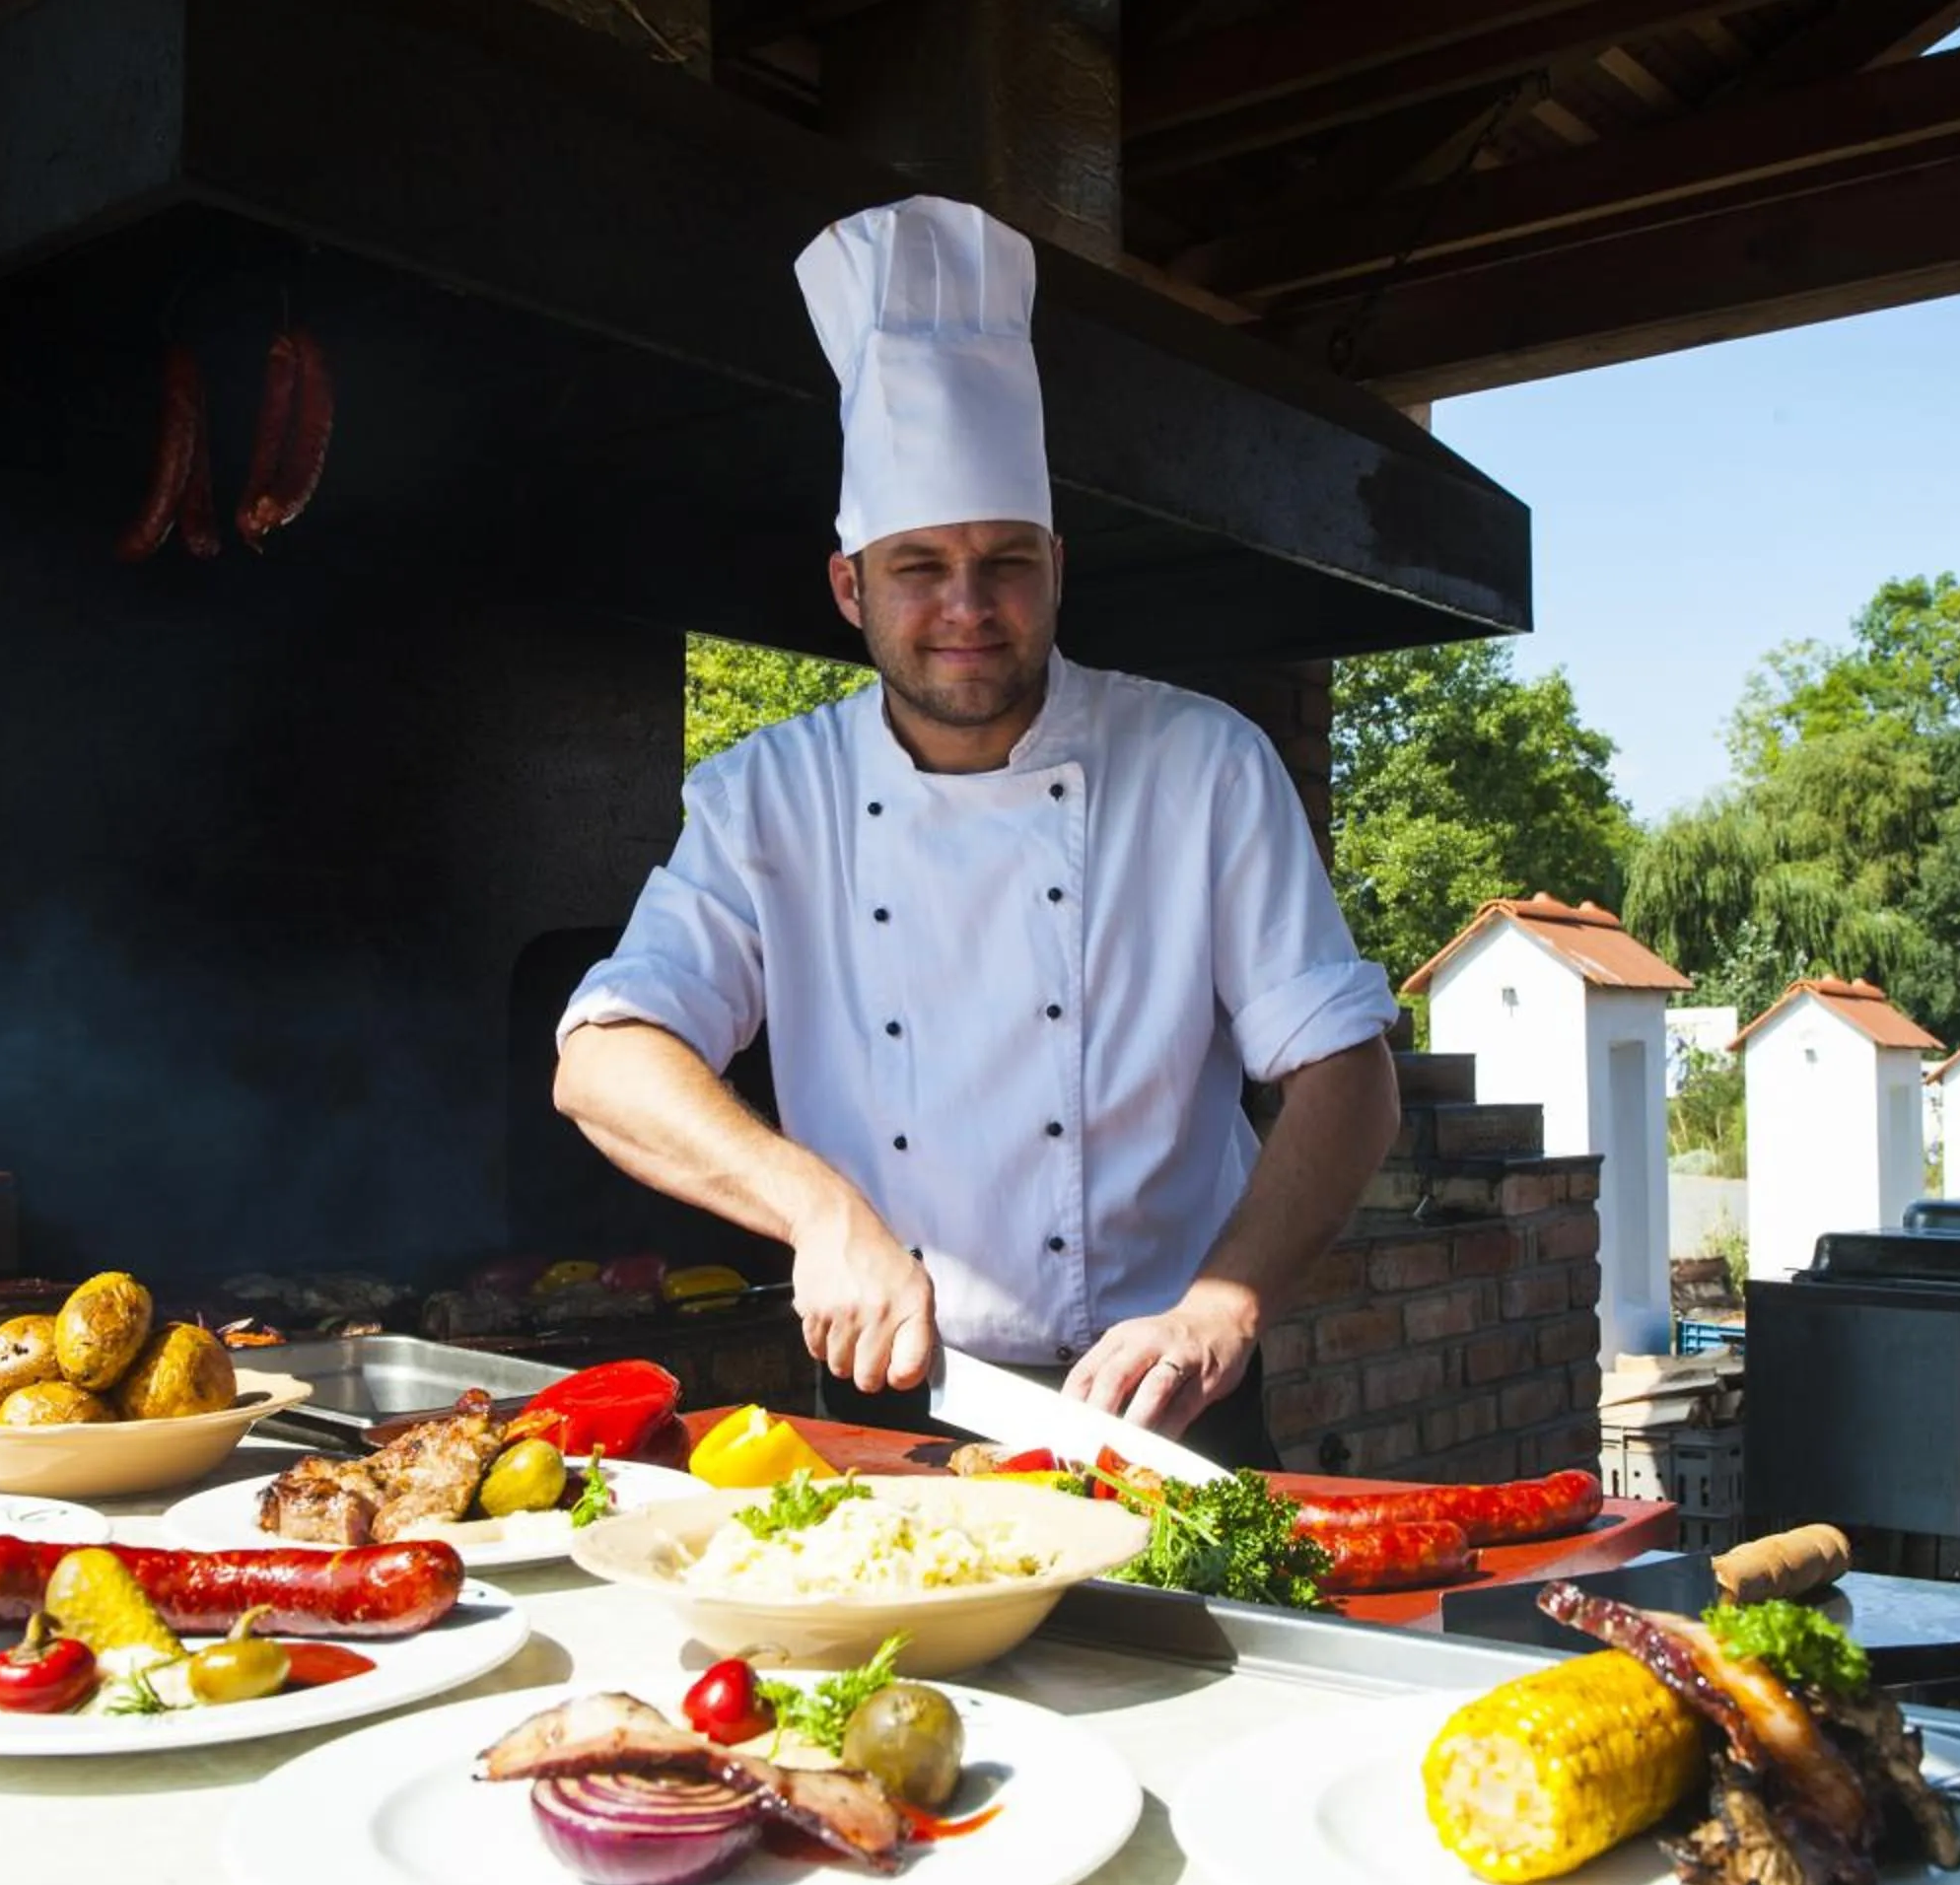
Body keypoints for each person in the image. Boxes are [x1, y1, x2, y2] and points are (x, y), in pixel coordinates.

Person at [553, 194, 1400, 1466]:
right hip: (898, 1402)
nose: (968, 606)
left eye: (1005, 561)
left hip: (1170, 1397)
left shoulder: (1203, 764)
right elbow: (604, 1059)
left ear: (1057, 566)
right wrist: (817, 1210)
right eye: (919, 568)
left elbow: (1347, 1075)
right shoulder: (768, 796)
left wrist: (1222, 1304)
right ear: (850, 586)